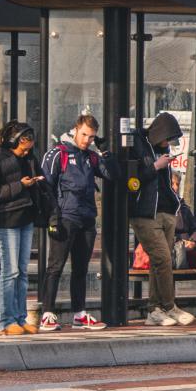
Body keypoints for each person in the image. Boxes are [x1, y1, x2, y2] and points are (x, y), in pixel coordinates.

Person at [36, 115, 113, 332]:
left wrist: (104, 150)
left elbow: (113, 175)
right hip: (65, 218)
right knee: (55, 267)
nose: (87, 140)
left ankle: (79, 315)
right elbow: (45, 188)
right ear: (75, 130)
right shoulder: (57, 154)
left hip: (87, 219)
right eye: (84, 134)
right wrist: (53, 219)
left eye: (92, 136)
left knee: (81, 269)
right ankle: (47, 315)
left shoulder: (90, 156)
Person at [0, 121, 46, 336]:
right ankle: (6, 322)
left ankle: (20, 318)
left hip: (25, 217)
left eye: (29, 149)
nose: (26, 152)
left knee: (22, 272)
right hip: (6, 219)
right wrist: (21, 185)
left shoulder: (28, 158)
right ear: (11, 141)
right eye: (23, 149)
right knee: (10, 272)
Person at [130, 113, 193, 326]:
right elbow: (133, 179)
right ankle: (169, 306)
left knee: (159, 263)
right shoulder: (137, 144)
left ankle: (154, 310)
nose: (168, 145)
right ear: (160, 134)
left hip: (166, 211)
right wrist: (156, 166)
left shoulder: (162, 149)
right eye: (167, 140)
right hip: (145, 213)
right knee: (164, 259)